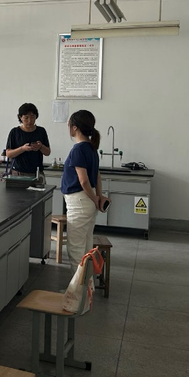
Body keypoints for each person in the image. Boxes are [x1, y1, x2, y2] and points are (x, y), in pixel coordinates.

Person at [60, 110, 109, 271]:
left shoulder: (78, 149)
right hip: (87, 201)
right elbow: (97, 175)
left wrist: (95, 198)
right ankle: (88, 285)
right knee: (86, 248)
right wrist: (98, 196)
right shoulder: (91, 148)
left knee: (75, 250)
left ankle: (78, 287)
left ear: (74, 127)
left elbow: (84, 180)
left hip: (79, 202)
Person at [5, 102, 51, 179]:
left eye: (32, 117)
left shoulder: (41, 131)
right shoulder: (15, 132)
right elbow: (9, 154)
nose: (29, 121)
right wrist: (23, 149)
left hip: (37, 173)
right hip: (17, 173)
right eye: (26, 117)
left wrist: (40, 147)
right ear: (20, 117)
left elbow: (47, 152)